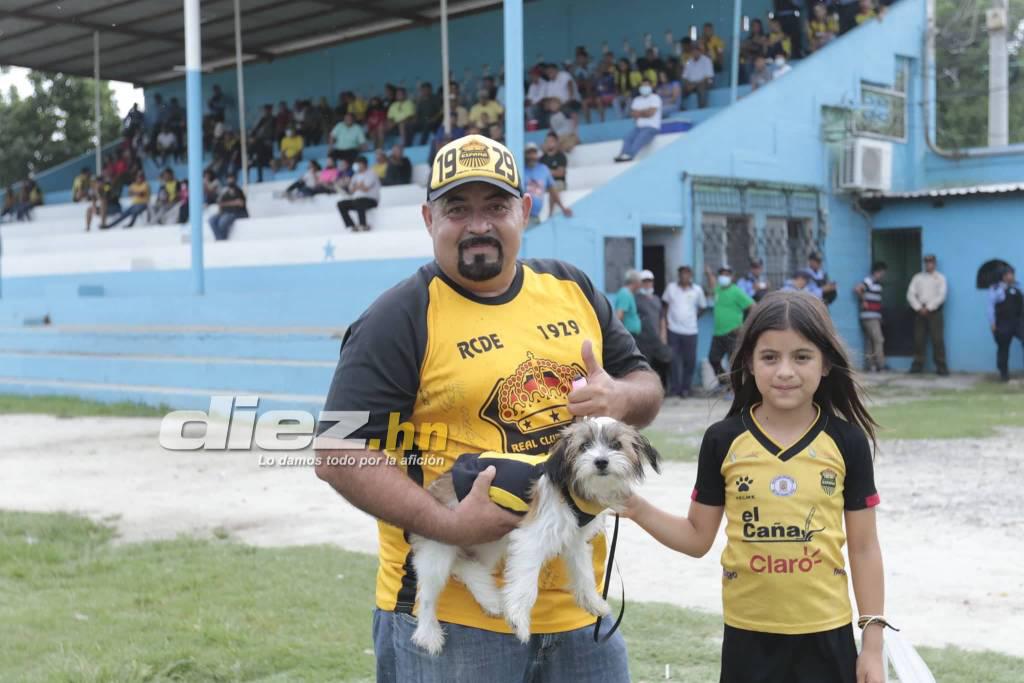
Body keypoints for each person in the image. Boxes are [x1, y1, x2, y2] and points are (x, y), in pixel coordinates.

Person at [313, 133, 663, 682]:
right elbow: (335, 452)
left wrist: (620, 397)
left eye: (496, 206)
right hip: (457, 624)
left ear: (524, 211)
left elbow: (647, 386)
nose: (479, 224)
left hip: (578, 616)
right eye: (458, 209)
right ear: (429, 218)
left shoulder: (572, 288)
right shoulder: (398, 316)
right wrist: (447, 523)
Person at [619, 290, 887, 683]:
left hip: (827, 635)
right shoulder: (723, 440)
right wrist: (634, 507)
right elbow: (697, 538)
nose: (784, 371)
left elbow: (864, 548)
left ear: (826, 364)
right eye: (769, 357)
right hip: (748, 637)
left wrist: (874, 645)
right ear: (748, 362)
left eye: (802, 356)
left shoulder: (846, 442)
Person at [662, 266, 707, 398]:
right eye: (682, 274)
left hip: (691, 330)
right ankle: (675, 389)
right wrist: (666, 322)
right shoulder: (671, 288)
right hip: (673, 330)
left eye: (687, 274)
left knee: (690, 360)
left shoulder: (697, 290)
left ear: (691, 276)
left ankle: (686, 388)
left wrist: (694, 317)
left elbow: (703, 307)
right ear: (679, 275)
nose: (684, 276)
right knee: (673, 360)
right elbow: (664, 306)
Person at [705, 265, 754, 384]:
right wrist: (709, 274)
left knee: (734, 363)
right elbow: (712, 285)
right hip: (718, 333)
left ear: (731, 277)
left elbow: (753, 307)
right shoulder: (718, 289)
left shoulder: (736, 291)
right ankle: (726, 383)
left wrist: (745, 326)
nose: (724, 277)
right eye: (722, 274)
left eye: (727, 274)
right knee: (713, 359)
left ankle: (735, 388)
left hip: (733, 333)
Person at [906, 254, 948, 375]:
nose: (929, 264)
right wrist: (919, 307)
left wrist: (929, 307)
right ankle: (917, 365)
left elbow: (942, 295)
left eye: (931, 262)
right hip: (919, 311)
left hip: (934, 311)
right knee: (919, 339)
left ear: (935, 263)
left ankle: (941, 367)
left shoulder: (940, 278)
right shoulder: (918, 278)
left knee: (937, 340)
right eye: (926, 262)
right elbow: (910, 294)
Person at [635, 269, 673, 391]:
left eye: (649, 281)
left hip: (657, 339)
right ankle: (646, 391)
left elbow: (662, 318)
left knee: (664, 361)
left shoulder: (657, 299)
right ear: (640, 283)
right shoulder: (636, 299)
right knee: (645, 366)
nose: (647, 284)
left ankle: (663, 389)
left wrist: (663, 336)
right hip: (642, 339)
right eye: (645, 281)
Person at [522, 142, 572, 225]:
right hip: (522, 216)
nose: (531, 156)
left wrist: (563, 208)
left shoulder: (543, 169)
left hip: (535, 217)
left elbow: (553, 191)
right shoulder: (520, 168)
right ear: (524, 155)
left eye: (533, 153)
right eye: (529, 153)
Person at [988, 265, 1023, 382]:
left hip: (1017, 322)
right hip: (1003, 323)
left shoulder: (1017, 287)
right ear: (1003, 276)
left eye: (1012, 274)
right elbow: (990, 307)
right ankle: (1004, 374)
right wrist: (992, 323)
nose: (1011, 276)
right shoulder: (996, 288)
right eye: (1009, 274)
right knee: (1003, 348)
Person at [613, 79, 662, 162]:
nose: (644, 87)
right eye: (642, 86)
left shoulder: (655, 98)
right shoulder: (637, 99)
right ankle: (623, 154)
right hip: (638, 127)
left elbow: (651, 113)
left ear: (651, 87)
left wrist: (639, 113)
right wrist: (644, 112)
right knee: (627, 137)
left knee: (640, 138)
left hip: (651, 127)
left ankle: (630, 156)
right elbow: (633, 115)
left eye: (646, 85)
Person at [854, 261, 888, 373]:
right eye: (883, 272)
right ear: (878, 272)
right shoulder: (870, 280)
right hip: (869, 316)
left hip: (873, 316)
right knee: (879, 339)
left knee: (870, 341)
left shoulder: (876, 283)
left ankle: (871, 366)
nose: (884, 275)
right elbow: (858, 288)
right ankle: (881, 365)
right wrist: (863, 301)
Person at [336, 155, 381, 231]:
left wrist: (356, 186)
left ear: (363, 164)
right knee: (341, 204)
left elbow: (365, 188)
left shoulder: (371, 173)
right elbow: (351, 190)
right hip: (357, 200)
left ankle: (363, 224)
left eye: (358, 164)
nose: (356, 166)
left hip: (371, 200)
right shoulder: (356, 175)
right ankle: (351, 225)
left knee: (360, 201)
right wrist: (359, 185)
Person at [209, 173, 248, 241]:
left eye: (231, 179)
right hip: (224, 212)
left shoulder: (238, 191)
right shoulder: (225, 192)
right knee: (212, 220)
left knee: (223, 222)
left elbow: (240, 203)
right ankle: (219, 239)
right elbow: (220, 203)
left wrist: (225, 204)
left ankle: (222, 240)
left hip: (236, 212)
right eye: (228, 179)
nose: (229, 180)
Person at [615, 269, 643, 337]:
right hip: (627, 335)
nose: (641, 284)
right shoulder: (625, 294)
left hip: (631, 334)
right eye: (640, 282)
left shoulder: (629, 294)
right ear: (635, 282)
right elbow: (619, 315)